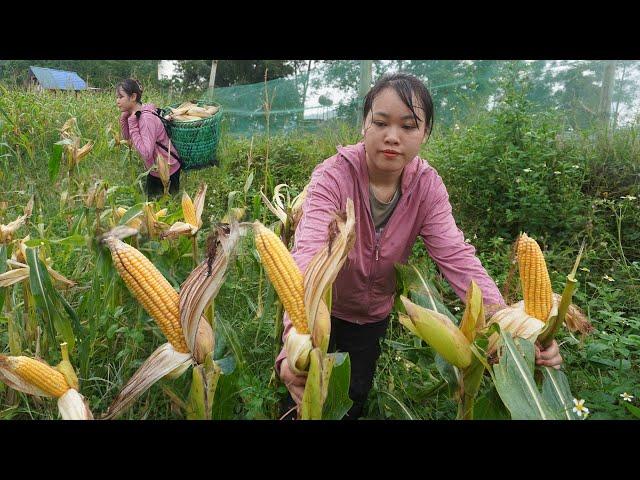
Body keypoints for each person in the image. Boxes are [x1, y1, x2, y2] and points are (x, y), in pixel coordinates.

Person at [276, 72, 563, 420]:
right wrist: (296, 337)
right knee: (299, 402)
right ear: (364, 124)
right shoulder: (333, 176)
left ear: (425, 133)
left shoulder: (426, 187)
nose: (392, 137)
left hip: (371, 319)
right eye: (380, 122)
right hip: (319, 311)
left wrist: (514, 331)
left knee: (351, 399)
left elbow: (456, 257)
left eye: (409, 126)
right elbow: (306, 255)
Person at [116, 78, 182, 197]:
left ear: (133, 97)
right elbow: (127, 137)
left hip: (167, 170)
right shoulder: (137, 113)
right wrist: (124, 118)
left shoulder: (145, 119)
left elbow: (146, 153)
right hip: (154, 170)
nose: (117, 101)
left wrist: (133, 126)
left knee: (168, 210)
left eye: (120, 97)